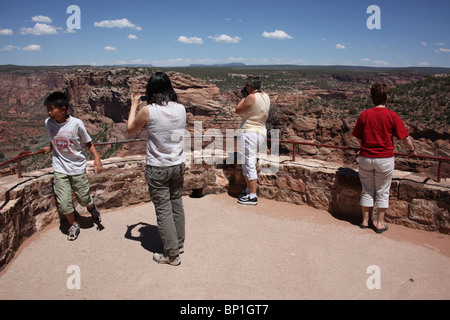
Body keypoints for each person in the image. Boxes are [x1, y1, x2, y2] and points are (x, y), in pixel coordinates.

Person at [127, 71, 186, 266]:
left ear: (150, 90)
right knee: (176, 203)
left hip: (158, 166)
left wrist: (134, 105)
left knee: (163, 210)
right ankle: (178, 243)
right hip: (177, 164)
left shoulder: (148, 110)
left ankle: (171, 255)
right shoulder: (181, 108)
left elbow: (130, 130)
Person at [352, 83, 416, 234]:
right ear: (386, 98)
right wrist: (412, 150)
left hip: (366, 157)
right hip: (385, 158)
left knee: (367, 190)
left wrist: (365, 146)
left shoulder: (364, 114)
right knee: (382, 191)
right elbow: (405, 138)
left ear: (372, 98)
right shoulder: (392, 115)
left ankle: (365, 221)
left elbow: (356, 136)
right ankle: (380, 224)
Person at [41, 91, 103, 241]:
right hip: (59, 167)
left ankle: (91, 208)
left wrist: (96, 157)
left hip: (76, 166)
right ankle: (74, 225)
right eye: (48, 109)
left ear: (63, 109)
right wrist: (50, 148)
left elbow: (87, 142)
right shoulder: (48, 122)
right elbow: (53, 136)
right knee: (63, 202)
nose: (50, 113)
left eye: (52, 109)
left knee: (83, 198)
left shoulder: (76, 123)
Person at [235, 76, 271, 205]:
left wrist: (243, 97)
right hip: (260, 132)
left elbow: (238, 110)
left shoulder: (250, 97)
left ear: (249, 86)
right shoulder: (266, 96)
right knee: (246, 162)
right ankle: (248, 190)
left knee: (249, 162)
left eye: (246, 85)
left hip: (250, 132)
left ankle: (253, 196)